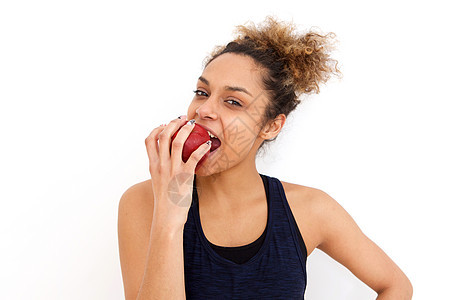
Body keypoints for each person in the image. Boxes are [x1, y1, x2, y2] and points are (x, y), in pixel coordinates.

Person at [118, 16, 413, 299]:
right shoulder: (144, 203)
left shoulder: (311, 210)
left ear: (271, 126)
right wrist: (169, 216)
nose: (204, 109)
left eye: (233, 101)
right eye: (201, 91)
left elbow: (395, 286)